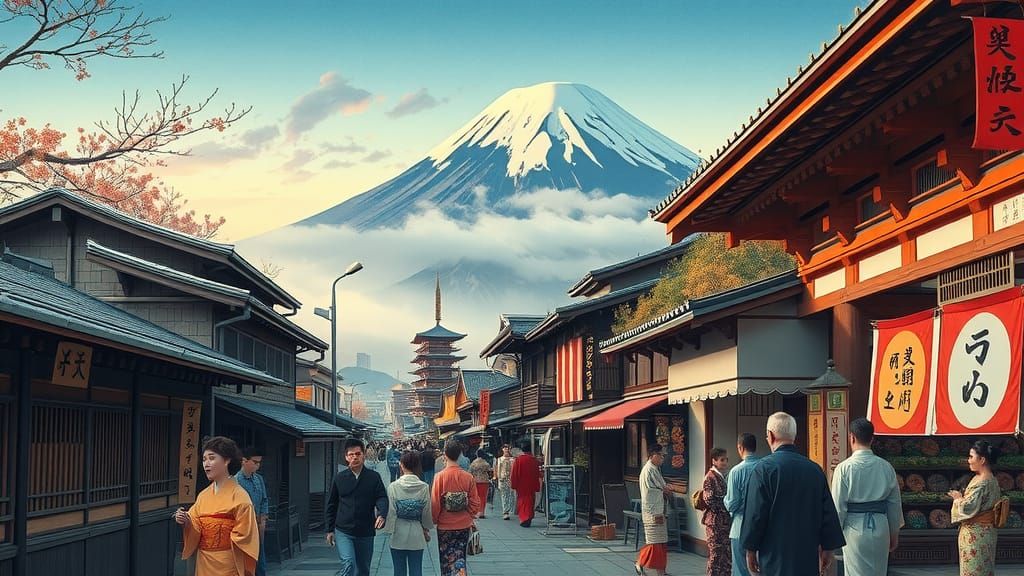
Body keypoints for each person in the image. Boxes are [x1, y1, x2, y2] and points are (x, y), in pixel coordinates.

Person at [740, 412, 844, 576]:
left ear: (770, 435)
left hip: (774, 554)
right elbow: (827, 513)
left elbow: (755, 513)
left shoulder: (763, 469)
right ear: (793, 436)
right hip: (807, 554)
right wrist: (828, 548)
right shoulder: (814, 470)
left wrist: (750, 549)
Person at [175, 436, 259, 576]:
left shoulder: (240, 497)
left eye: (211, 458)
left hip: (227, 562)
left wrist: (219, 532)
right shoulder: (203, 496)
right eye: (204, 459)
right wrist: (186, 520)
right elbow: (195, 522)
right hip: (204, 561)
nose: (206, 464)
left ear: (226, 461)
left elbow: (246, 535)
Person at [830, 418, 903, 576]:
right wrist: (894, 533)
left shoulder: (844, 468)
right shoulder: (886, 467)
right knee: (879, 571)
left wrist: (833, 538)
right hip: (881, 526)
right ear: (872, 439)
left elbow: (838, 507)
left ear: (852, 438)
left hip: (854, 528)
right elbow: (894, 505)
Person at [325, 438, 389, 576]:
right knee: (349, 564)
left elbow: (382, 497)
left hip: (365, 530)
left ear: (364, 455)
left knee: (363, 569)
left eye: (358, 454)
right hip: (343, 530)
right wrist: (330, 529)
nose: (355, 457)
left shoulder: (373, 477)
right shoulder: (340, 478)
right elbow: (332, 503)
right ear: (346, 457)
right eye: (351, 454)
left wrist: (382, 514)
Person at [950, 440, 1002, 576]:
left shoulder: (982, 482)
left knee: (974, 571)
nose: (969, 460)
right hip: (985, 531)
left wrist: (958, 498)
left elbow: (968, 508)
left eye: (971, 457)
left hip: (976, 534)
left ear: (982, 460)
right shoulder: (989, 479)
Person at [431, 441, 482, 576]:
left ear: (445, 454)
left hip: (445, 524)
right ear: (460, 454)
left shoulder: (439, 477)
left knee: (446, 559)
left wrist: (435, 519)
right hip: (463, 524)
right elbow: (475, 502)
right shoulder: (468, 477)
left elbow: (435, 503)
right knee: (460, 557)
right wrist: (470, 514)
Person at [384, 451, 433, 576]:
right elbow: (426, 513)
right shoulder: (424, 487)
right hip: (416, 533)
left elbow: (391, 512)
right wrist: (426, 529)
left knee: (398, 571)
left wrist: (389, 530)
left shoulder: (393, 486)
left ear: (401, 465)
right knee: (416, 570)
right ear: (418, 466)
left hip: (398, 532)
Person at [723, 433, 759, 576]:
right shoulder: (765, 467)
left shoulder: (736, 471)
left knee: (740, 570)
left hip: (740, 526)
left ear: (740, 447)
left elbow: (732, 503)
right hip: (762, 527)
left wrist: (724, 500)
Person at [635, 444, 670, 576]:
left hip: (656, 509)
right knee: (655, 542)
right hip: (653, 511)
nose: (662, 458)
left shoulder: (653, 469)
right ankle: (641, 563)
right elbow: (662, 488)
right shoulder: (650, 469)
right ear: (653, 455)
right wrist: (667, 489)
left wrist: (665, 489)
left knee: (660, 542)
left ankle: (661, 571)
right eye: (660, 455)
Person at [235, 446, 270, 576]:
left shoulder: (258, 479)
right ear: (244, 461)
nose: (257, 465)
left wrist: (263, 518)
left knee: (260, 561)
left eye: (259, 462)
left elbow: (264, 499)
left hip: (258, 523)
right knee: (246, 562)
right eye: (255, 462)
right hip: (243, 525)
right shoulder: (236, 481)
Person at [702, 447, 731, 576]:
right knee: (715, 554)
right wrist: (724, 504)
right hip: (714, 521)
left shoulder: (723, 476)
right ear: (714, 461)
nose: (725, 462)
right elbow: (709, 499)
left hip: (724, 521)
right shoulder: (710, 477)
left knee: (726, 555)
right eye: (722, 460)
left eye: (726, 460)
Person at [509, 441, 542, 527]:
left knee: (522, 500)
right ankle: (529, 516)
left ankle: (524, 518)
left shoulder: (518, 460)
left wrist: (513, 484)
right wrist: (537, 485)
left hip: (521, 484)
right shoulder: (534, 460)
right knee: (531, 500)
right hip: (531, 483)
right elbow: (537, 474)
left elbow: (514, 474)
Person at [469, 449, 493, 519]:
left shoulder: (473, 463)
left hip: (475, 481)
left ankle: (476, 512)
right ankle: (482, 512)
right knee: (483, 497)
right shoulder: (485, 463)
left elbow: (470, 472)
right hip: (484, 482)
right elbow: (490, 471)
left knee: (476, 497)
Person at [494, 445, 516, 521]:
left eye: (508, 448)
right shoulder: (499, 459)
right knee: (504, 495)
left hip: (511, 479)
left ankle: (509, 510)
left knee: (511, 495)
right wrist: (497, 478)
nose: (506, 449)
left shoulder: (513, 459)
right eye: (505, 448)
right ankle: (505, 512)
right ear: (502, 449)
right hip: (502, 479)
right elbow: (497, 469)